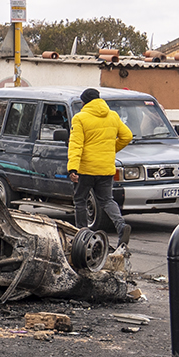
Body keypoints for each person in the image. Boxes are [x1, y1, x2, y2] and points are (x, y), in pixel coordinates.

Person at [66, 87, 132, 246]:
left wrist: (72, 168)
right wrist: (110, 149)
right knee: (107, 200)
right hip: (105, 168)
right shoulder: (113, 116)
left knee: (80, 200)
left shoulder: (80, 118)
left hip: (85, 169)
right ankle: (121, 225)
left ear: (84, 102)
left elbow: (76, 145)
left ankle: (82, 234)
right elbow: (127, 136)